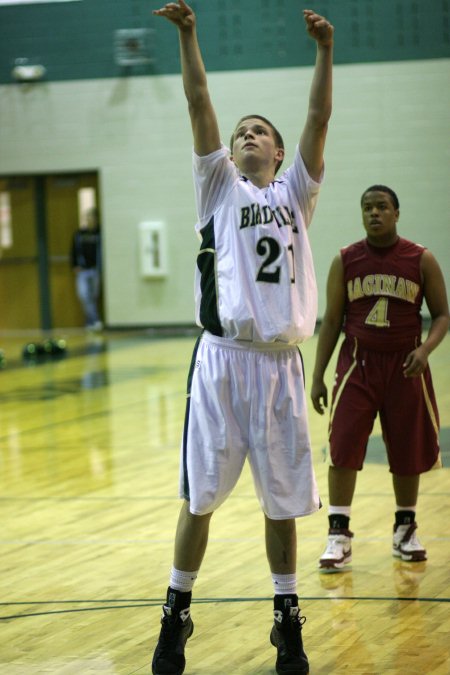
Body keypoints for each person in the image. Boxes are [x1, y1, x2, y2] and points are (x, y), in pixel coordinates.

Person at [151, 2, 333, 674]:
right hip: (223, 361)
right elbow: (198, 96)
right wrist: (190, 34)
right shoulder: (218, 187)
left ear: (279, 152)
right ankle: (175, 613)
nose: (246, 136)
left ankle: (287, 620)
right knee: (199, 494)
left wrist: (324, 50)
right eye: (240, 132)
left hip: (280, 362)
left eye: (259, 131)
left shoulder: (295, 193)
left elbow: (319, 119)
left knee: (281, 498)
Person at [310, 185, 449, 573]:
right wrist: (318, 375)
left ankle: (405, 529)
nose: (374, 213)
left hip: (406, 363)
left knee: (407, 448)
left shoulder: (421, 259)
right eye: (367, 207)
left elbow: (442, 315)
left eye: (382, 207)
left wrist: (425, 351)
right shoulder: (345, 260)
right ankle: (338, 535)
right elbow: (332, 320)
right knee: (343, 444)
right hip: (358, 362)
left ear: (396, 213)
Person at [70, 206, 103, 331]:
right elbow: (73, 251)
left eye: (92, 217)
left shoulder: (99, 233)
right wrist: (74, 265)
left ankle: (89, 322)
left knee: (93, 296)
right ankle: (95, 320)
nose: (89, 219)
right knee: (83, 295)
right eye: (87, 217)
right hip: (83, 271)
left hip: (95, 269)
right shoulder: (79, 234)